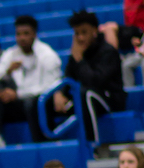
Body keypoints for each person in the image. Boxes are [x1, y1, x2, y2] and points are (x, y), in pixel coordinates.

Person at [0, 15, 63, 148]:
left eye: (26, 34)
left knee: (32, 103)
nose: (22, 38)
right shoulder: (11, 53)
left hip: (39, 103)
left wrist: (17, 94)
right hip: (19, 103)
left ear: (34, 34)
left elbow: (49, 87)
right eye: (18, 34)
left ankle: (41, 145)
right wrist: (7, 70)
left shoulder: (47, 55)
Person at [52, 10, 126, 146]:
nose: (80, 37)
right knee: (46, 101)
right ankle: (51, 146)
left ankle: (93, 145)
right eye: (77, 33)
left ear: (95, 31)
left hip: (111, 100)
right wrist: (60, 93)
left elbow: (95, 81)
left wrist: (80, 60)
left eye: (84, 32)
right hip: (87, 98)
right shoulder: (78, 51)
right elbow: (68, 77)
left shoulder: (108, 52)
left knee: (86, 94)